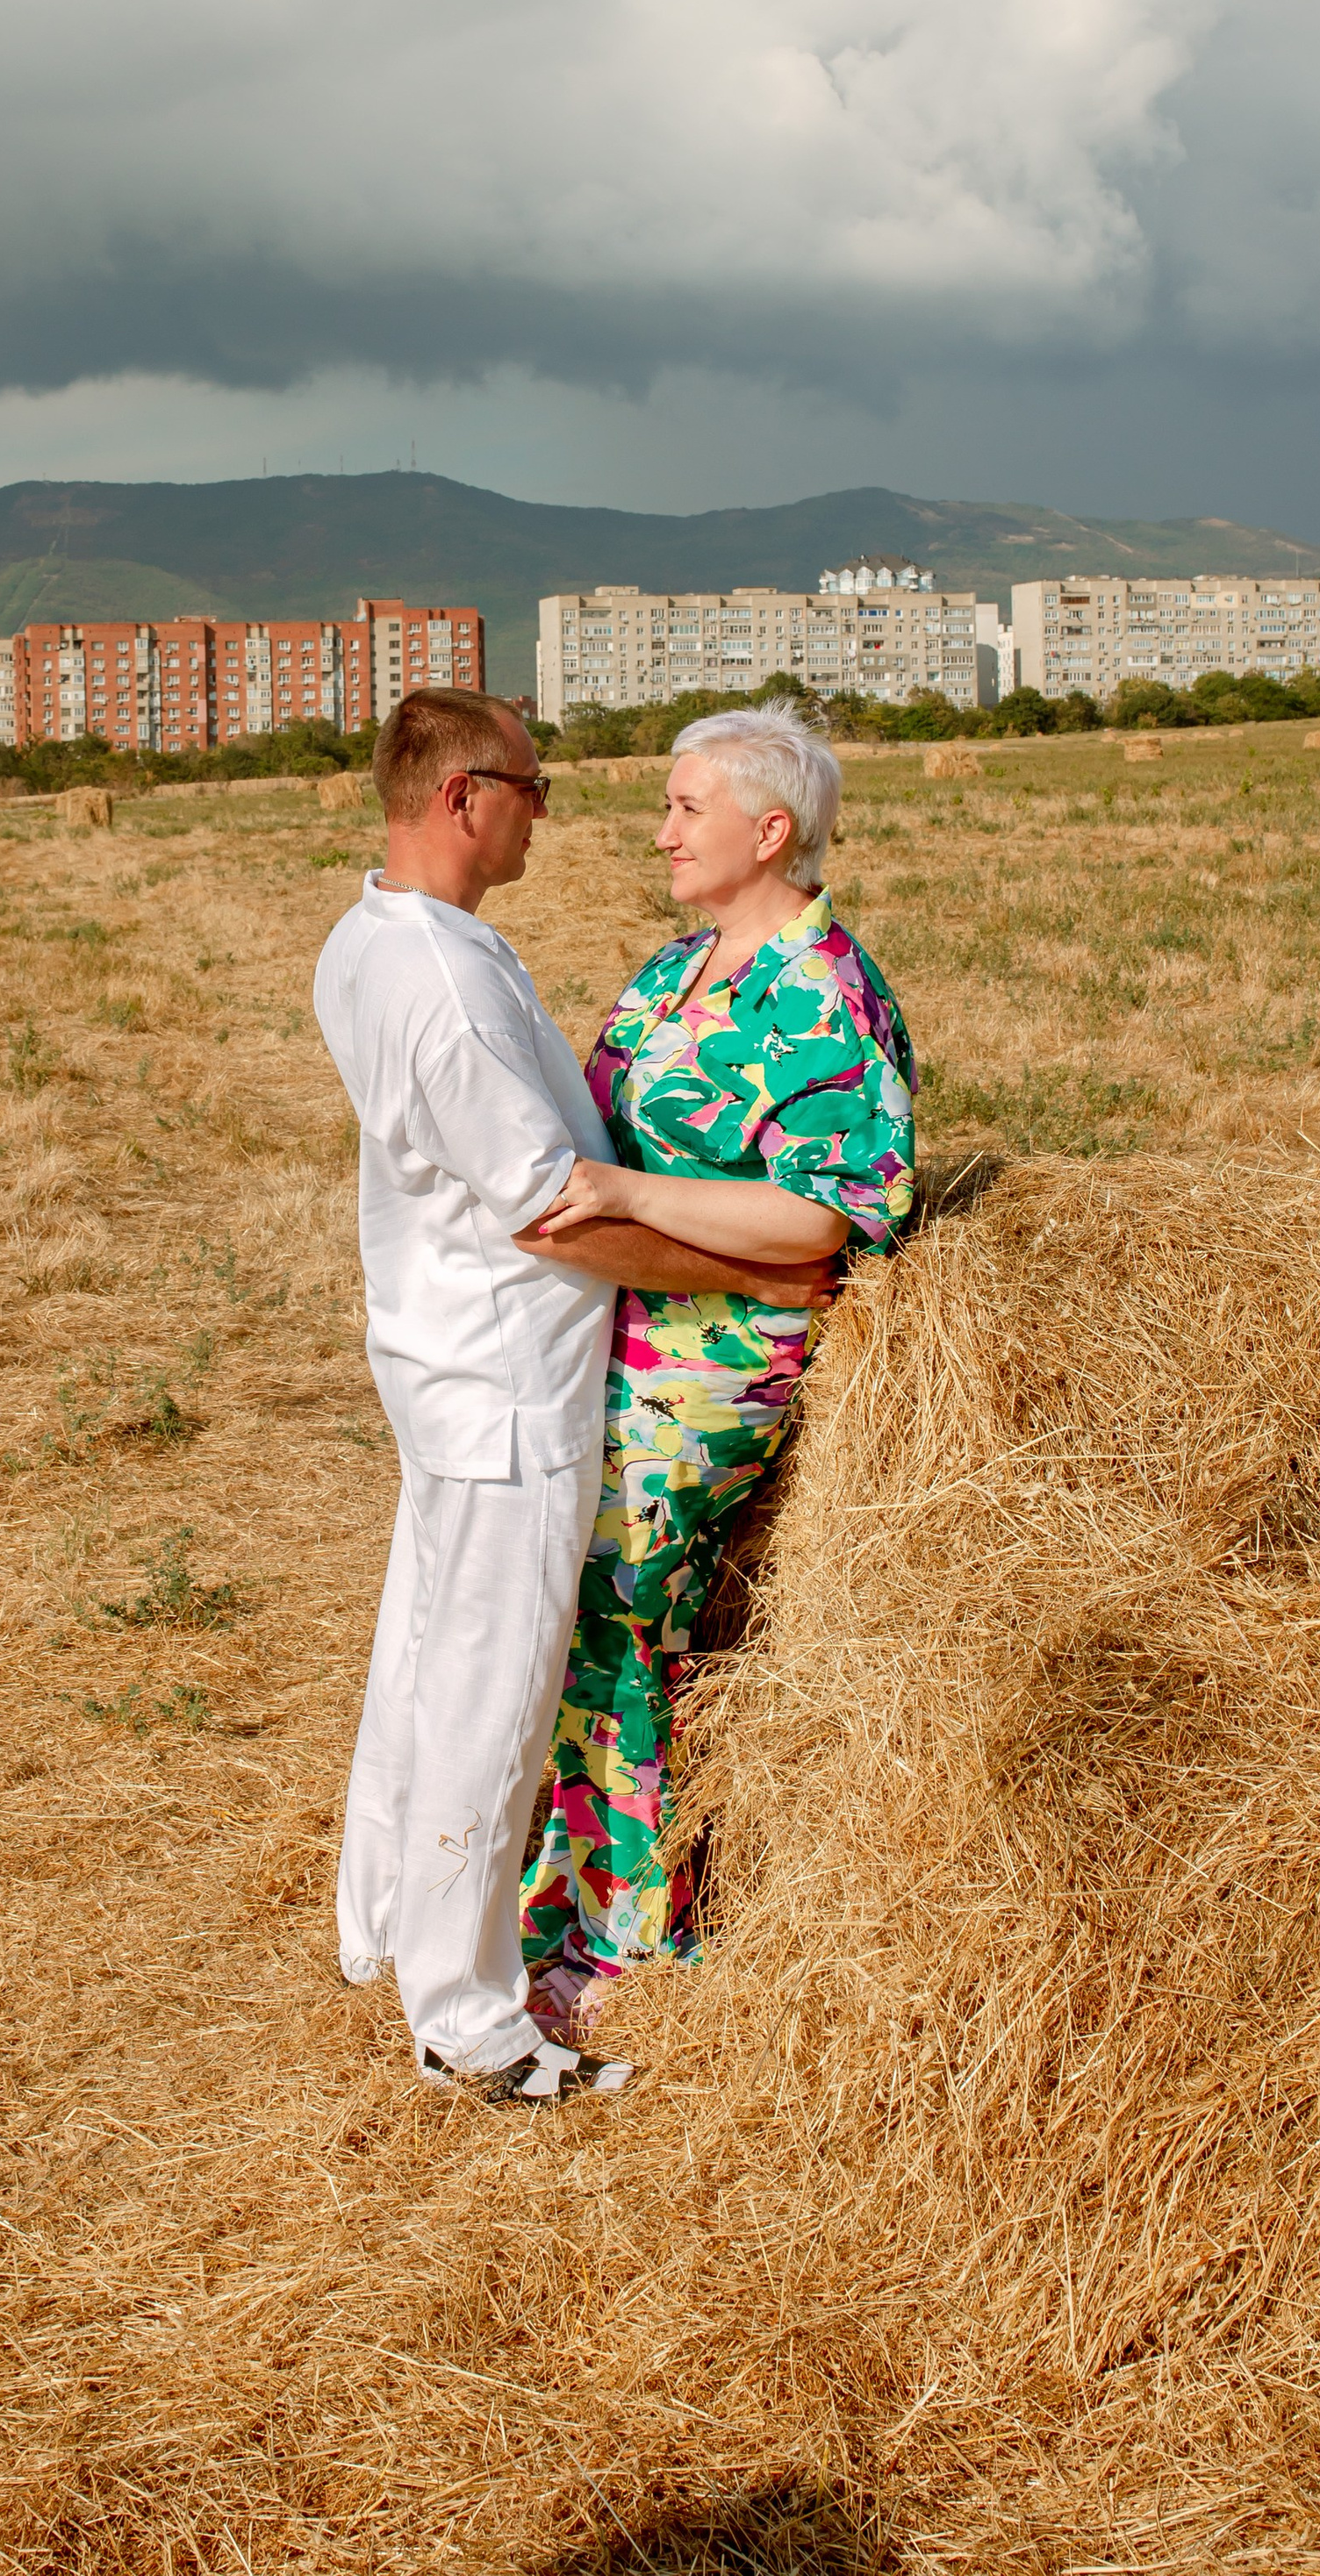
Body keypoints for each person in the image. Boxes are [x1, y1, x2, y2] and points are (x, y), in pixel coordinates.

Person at [313, 688, 836, 2109]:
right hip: (504, 1382)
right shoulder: (440, 984)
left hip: (449, 1363)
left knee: (425, 1659)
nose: (555, 810)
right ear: (466, 797)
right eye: (536, 789)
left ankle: (383, 1931)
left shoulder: (377, 939)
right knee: (488, 1693)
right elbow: (553, 1211)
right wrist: (757, 1281)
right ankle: (469, 2022)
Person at [519, 703, 915, 2043]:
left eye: (688, 807)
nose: (662, 829)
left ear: (771, 829)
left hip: (723, 1354)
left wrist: (629, 1188)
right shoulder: (671, 971)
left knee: (622, 1587)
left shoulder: (823, 993)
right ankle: (556, 1903)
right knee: (566, 1596)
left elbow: (827, 1216)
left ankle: (632, 1939)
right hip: (616, 1328)